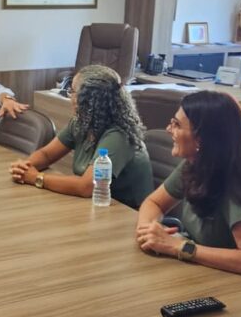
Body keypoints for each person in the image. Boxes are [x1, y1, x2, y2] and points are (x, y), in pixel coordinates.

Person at [135, 90, 241, 281]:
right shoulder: (196, 164)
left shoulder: (235, 183)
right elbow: (154, 203)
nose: (169, 129)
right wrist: (149, 232)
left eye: (177, 125)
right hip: (210, 271)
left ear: (201, 138)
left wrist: (179, 246)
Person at [9, 64, 153, 209]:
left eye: (72, 91)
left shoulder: (119, 135)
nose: (70, 96)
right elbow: (46, 155)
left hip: (126, 212)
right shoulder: (81, 122)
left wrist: (36, 178)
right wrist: (25, 167)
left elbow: (86, 187)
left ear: (89, 99)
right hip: (95, 205)